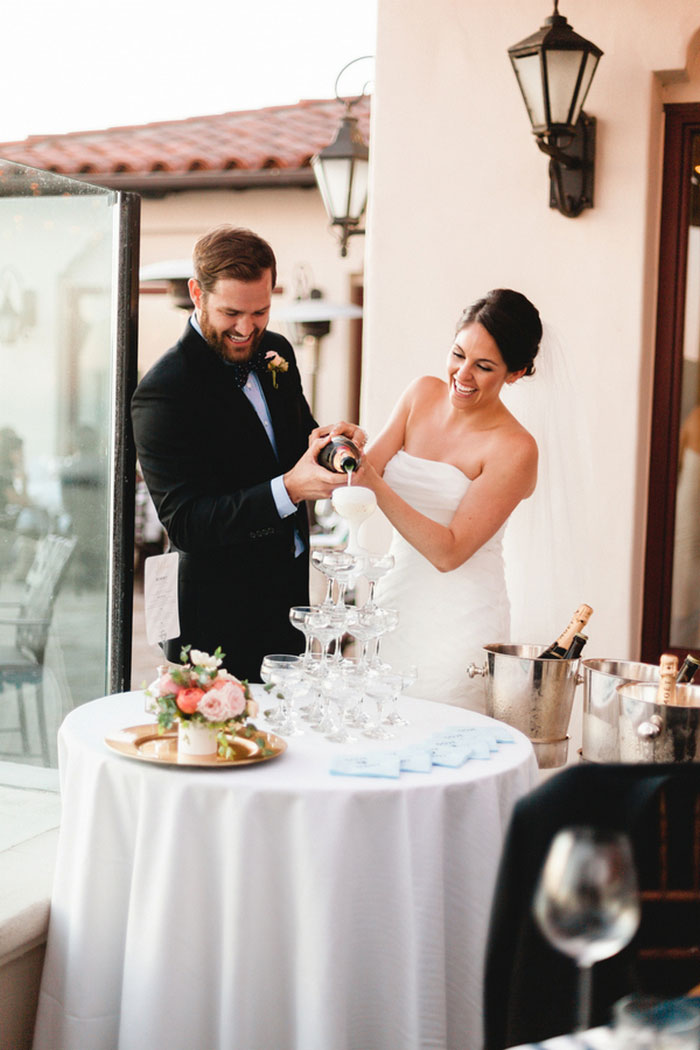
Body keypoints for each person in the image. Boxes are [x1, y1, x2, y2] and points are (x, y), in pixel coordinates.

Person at [131, 225, 364, 682]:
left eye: (261, 311)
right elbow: (187, 522)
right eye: (231, 312)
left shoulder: (275, 350)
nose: (246, 328)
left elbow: (295, 439)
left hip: (289, 599)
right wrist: (289, 489)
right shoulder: (163, 392)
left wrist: (330, 445)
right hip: (215, 619)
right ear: (197, 293)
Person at [355, 288, 542, 711]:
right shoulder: (420, 394)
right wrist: (340, 450)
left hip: (461, 621)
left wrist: (371, 480)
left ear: (515, 373)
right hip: (394, 603)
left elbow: (450, 552)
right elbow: (363, 474)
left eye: (484, 366)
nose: (463, 374)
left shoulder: (515, 448)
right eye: (458, 354)